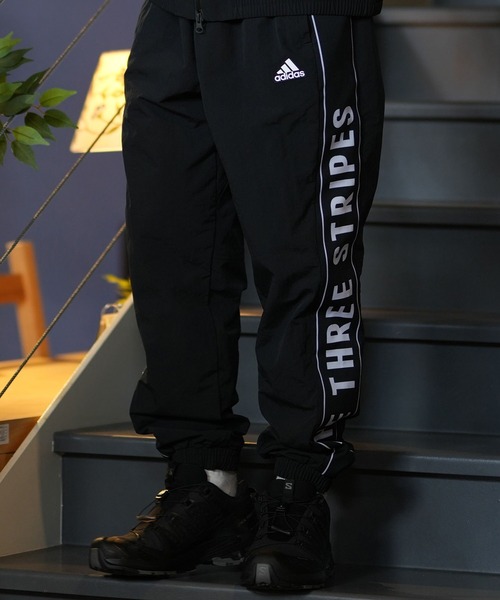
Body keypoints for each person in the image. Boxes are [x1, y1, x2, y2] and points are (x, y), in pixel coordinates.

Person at [90, 0, 384, 590]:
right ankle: (205, 487)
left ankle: (297, 492)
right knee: (172, 263)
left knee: (303, 259)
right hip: (173, 20)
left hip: (293, 17)